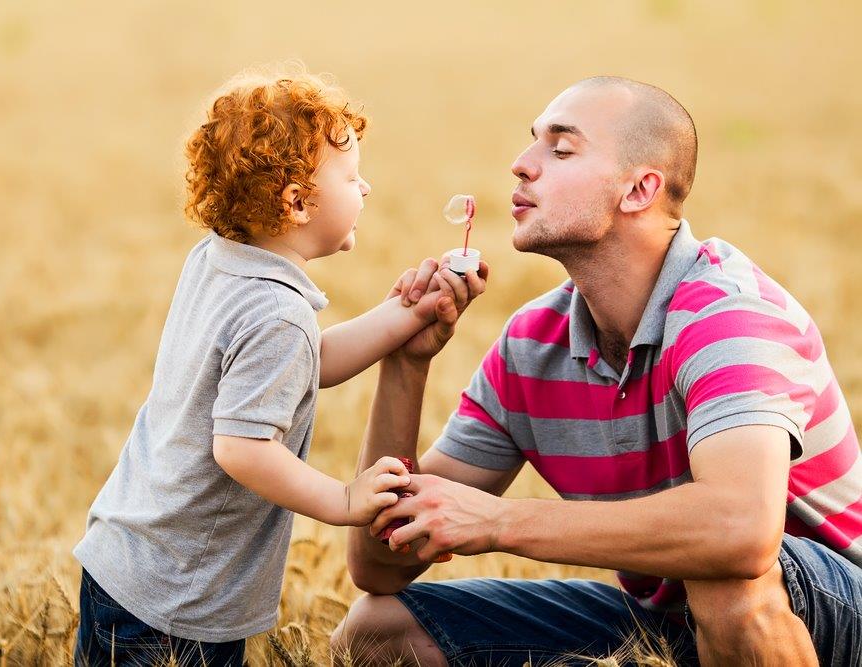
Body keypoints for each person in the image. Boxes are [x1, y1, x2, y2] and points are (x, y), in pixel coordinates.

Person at [333, 76, 861, 666]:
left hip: (830, 610)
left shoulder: (728, 315)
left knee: (720, 577)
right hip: (673, 617)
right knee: (379, 631)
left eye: (560, 149)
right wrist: (407, 365)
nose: (520, 166)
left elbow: (740, 532)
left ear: (639, 189)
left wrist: (500, 521)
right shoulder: (532, 345)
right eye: (532, 143)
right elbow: (380, 566)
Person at [72, 66, 487, 666]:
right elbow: (241, 448)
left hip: (129, 561)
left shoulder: (219, 263)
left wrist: (403, 315)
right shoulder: (278, 317)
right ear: (296, 202)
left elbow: (301, 365)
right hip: (177, 600)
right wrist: (344, 501)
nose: (365, 189)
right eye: (351, 177)